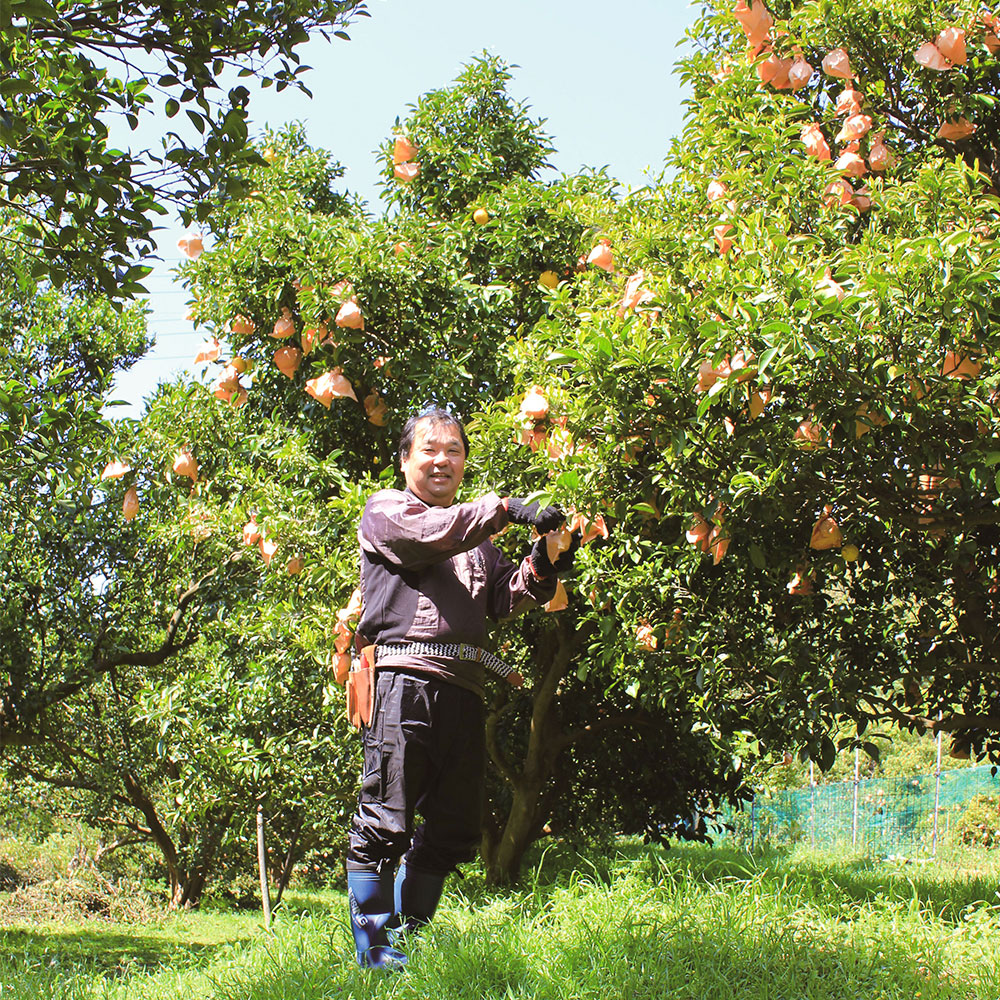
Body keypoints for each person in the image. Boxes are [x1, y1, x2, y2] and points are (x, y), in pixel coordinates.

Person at [345, 405, 578, 968]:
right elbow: (431, 534)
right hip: (403, 682)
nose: (441, 460)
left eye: (453, 450)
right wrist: (505, 509)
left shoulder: (478, 542)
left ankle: (411, 940)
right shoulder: (388, 511)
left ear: (465, 462)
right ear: (405, 461)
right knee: (386, 816)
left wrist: (546, 560)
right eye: (429, 449)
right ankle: (376, 954)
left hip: (464, 691)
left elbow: (506, 597)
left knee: (453, 826)